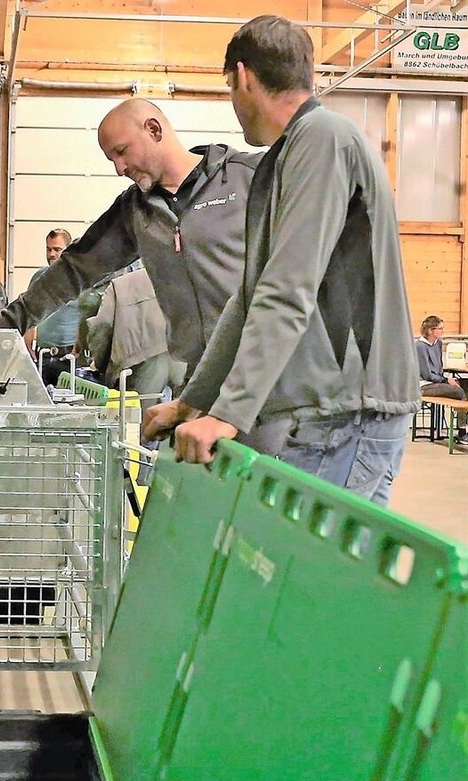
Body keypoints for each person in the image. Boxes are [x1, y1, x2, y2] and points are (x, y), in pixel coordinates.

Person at [144, 15, 420, 504]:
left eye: (230, 87)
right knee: (324, 577)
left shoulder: (322, 139)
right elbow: (250, 298)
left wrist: (228, 414)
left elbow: (286, 289)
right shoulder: (289, 154)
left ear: (244, 76)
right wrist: (194, 403)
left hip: (348, 410)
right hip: (337, 411)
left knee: (305, 576)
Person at [0, 100, 261, 389]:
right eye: (112, 159)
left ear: (154, 130)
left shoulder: (248, 178)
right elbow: (73, 270)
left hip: (266, 374)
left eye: (122, 152)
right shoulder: (135, 211)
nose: (119, 168)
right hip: (202, 383)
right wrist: (5, 325)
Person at [83, 264, 185, 413]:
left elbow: (102, 327)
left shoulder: (119, 286)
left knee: (140, 424)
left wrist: (100, 363)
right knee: (184, 418)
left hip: (140, 360)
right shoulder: (179, 278)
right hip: (181, 357)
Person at [25, 228, 83, 385]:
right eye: (48, 249)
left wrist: (80, 344)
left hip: (69, 357)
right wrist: (27, 341)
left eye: (57, 249)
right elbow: (29, 310)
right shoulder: (38, 277)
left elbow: (88, 314)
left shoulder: (80, 280)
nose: (51, 254)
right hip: (42, 356)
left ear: (68, 250)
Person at [416, 315, 467, 442]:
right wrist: (445, 380)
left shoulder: (438, 343)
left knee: (465, 385)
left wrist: (446, 379)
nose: (442, 331)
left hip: (437, 381)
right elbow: (427, 375)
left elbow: (439, 368)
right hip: (424, 385)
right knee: (458, 391)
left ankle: (463, 427)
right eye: (440, 328)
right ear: (430, 331)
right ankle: (462, 430)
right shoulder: (420, 346)